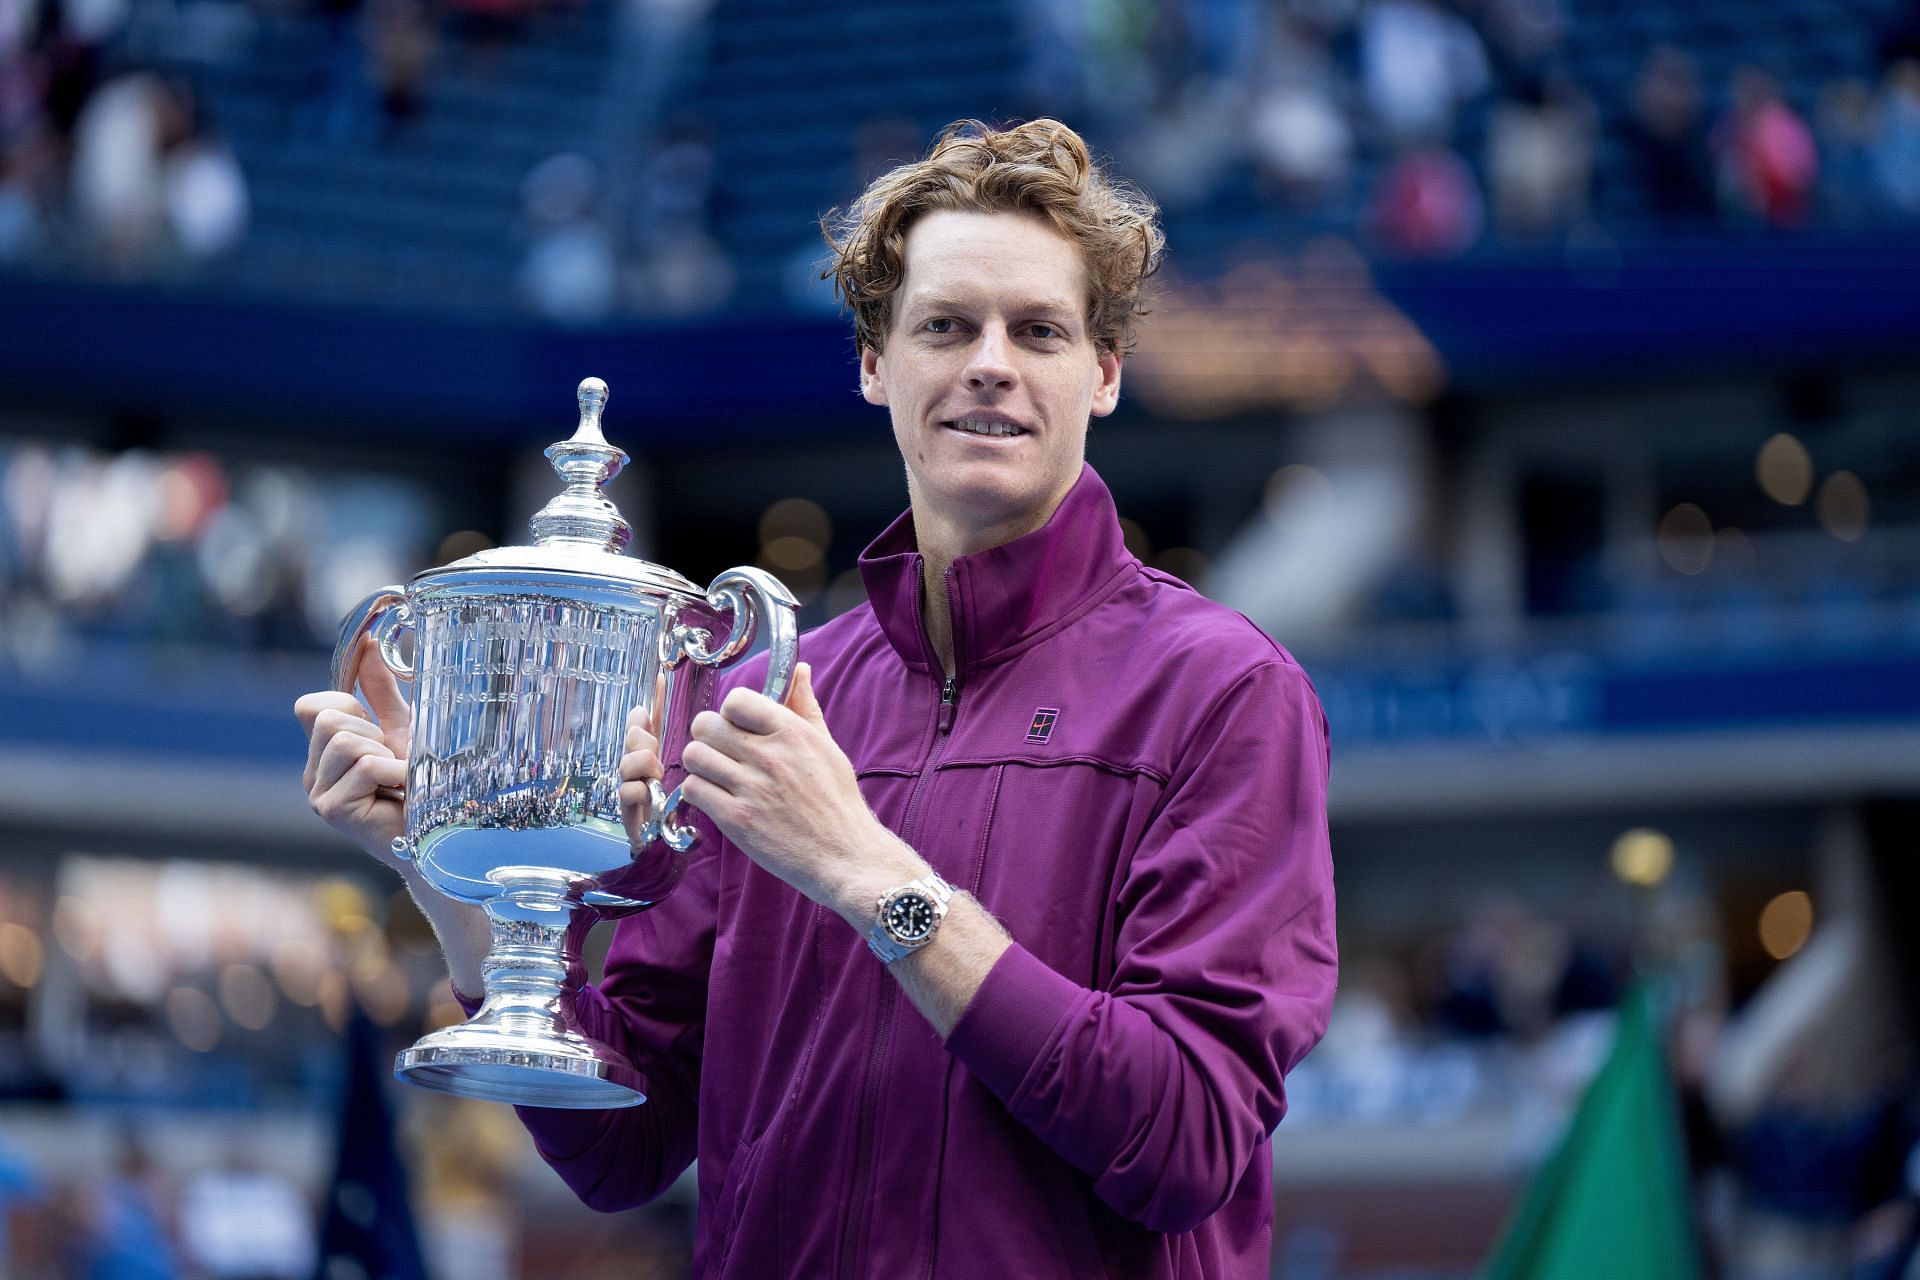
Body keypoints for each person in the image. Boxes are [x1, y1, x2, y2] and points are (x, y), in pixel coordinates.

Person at [296, 117, 1338, 1278]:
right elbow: (624, 1145)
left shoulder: (1223, 689)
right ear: (873, 362)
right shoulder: (761, 700)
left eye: (1038, 329)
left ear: (1103, 372)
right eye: (944, 324)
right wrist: (453, 883)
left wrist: (872, 877)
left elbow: (1186, 1139)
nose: (990, 359)